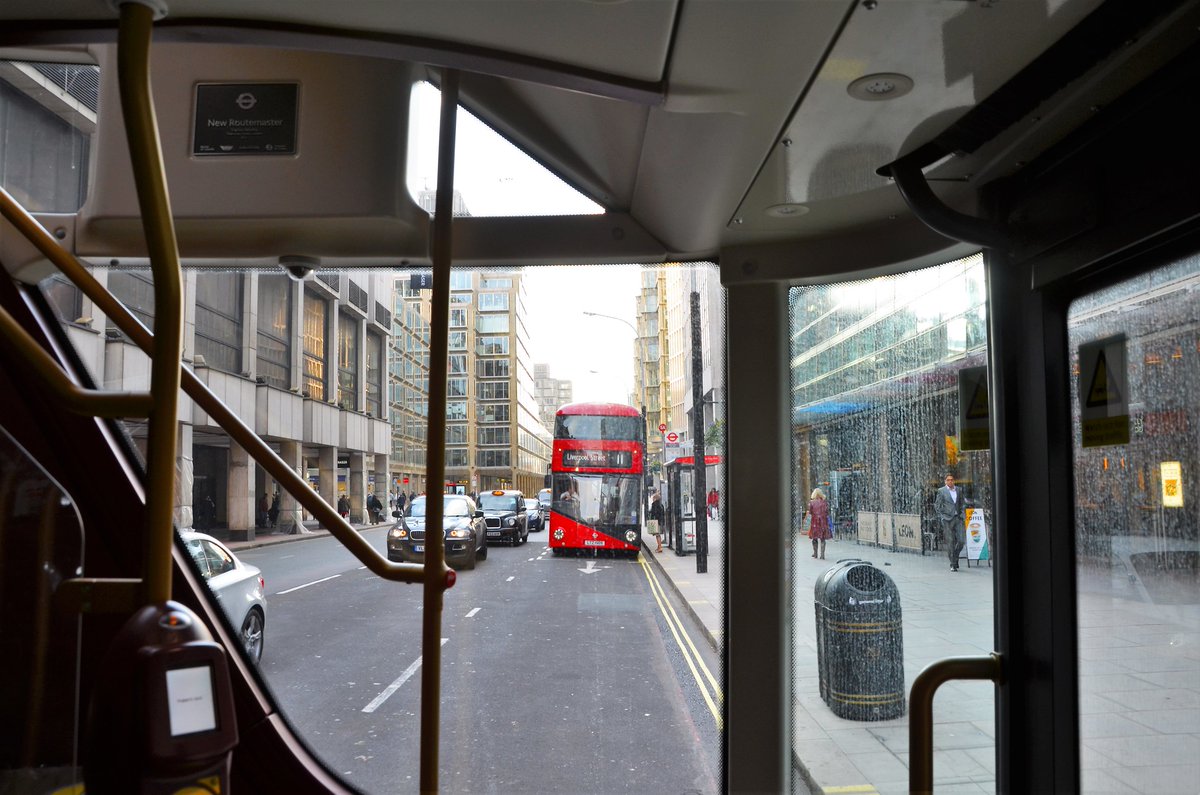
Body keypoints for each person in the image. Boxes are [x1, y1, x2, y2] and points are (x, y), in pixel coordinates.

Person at [935, 473, 967, 571]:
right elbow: (937, 505)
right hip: (947, 519)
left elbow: (962, 503)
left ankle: (955, 557)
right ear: (945, 481)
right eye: (948, 480)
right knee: (950, 542)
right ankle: (953, 564)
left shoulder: (959, 490)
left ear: (954, 481)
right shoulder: (941, 491)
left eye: (952, 480)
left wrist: (962, 513)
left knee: (961, 541)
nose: (950, 481)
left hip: (958, 518)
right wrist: (942, 516)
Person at [803, 487, 832, 559]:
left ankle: (815, 553)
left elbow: (810, 512)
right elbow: (827, 512)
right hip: (823, 522)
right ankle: (822, 555)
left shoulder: (812, 503)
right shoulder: (824, 502)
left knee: (814, 538)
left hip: (815, 522)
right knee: (823, 539)